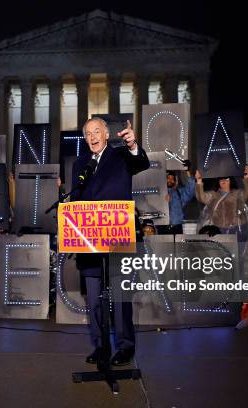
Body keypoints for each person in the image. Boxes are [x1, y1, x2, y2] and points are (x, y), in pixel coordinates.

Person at [71, 118, 150, 366]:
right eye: (87, 134)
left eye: (97, 131)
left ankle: (125, 347)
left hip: (117, 239)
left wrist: (133, 143)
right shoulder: (80, 163)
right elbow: (76, 198)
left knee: (119, 296)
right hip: (88, 243)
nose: (92, 137)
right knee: (94, 299)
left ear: (106, 134)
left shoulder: (121, 155)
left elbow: (141, 162)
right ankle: (101, 345)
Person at [195, 167, 248, 257]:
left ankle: (239, 271)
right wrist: (199, 181)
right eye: (220, 180)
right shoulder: (213, 195)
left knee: (238, 258)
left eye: (226, 179)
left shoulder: (238, 194)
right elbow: (201, 197)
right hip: (219, 230)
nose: (223, 181)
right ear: (218, 182)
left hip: (238, 230)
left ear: (231, 181)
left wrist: (246, 177)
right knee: (222, 258)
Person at [158, 166, 196, 234]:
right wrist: (163, 201)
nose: (170, 180)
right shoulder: (158, 193)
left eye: (173, 179)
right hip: (161, 226)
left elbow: (190, 190)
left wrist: (188, 171)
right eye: (168, 178)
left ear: (175, 181)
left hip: (176, 227)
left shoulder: (179, 192)